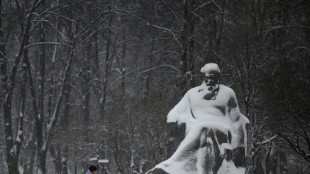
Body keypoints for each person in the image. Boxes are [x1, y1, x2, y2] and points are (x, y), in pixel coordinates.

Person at [148, 63, 249, 174]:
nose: (210, 81)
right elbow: (176, 111)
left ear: (218, 78)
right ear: (204, 77)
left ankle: (173, 164)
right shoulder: (192, 93)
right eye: (207, 78)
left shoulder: (228, 93)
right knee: (203, 130)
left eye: (213, 78)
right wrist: (174, 117)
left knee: (205, 129)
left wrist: (238, 147)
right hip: (194, 128)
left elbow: (236, 121)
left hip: (221, 131)